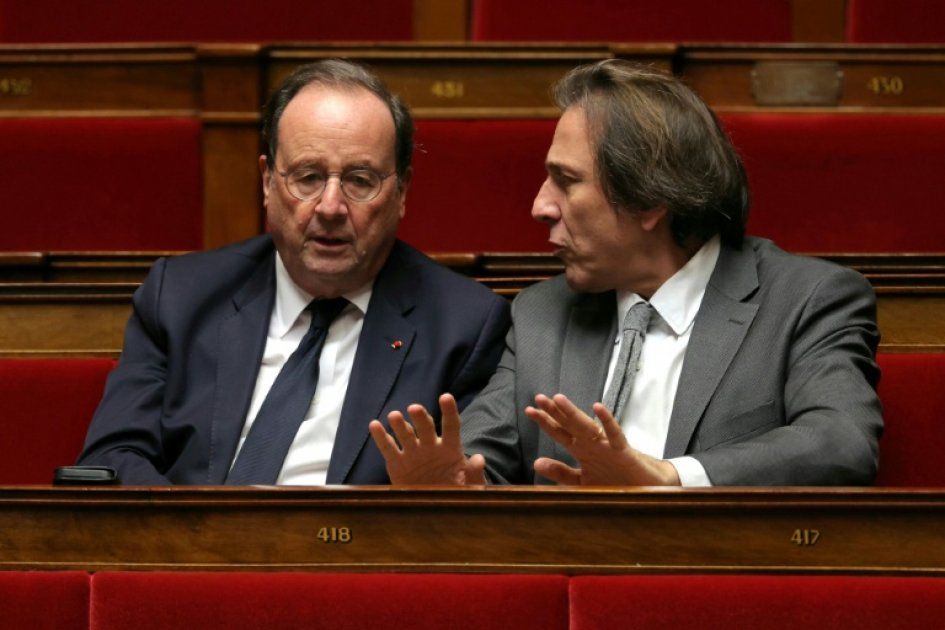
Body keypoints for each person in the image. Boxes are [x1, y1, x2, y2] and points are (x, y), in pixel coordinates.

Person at [369, 60, 882, 487]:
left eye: (566, 181)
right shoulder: (541, 314)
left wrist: (669, 478)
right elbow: (485, 459)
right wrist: (457, 483)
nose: (540, 206)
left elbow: (842, 441)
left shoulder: (806, 300)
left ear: (649, 199)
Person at [77, 59, 511, 485]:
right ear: (267, 182)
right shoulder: (180, 298)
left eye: (360, 180)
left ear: (401, 193)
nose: (330, 207)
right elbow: (113, 457)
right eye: (308, 177)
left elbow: (463, 488)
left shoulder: (464, 327)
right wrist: (198, 529)